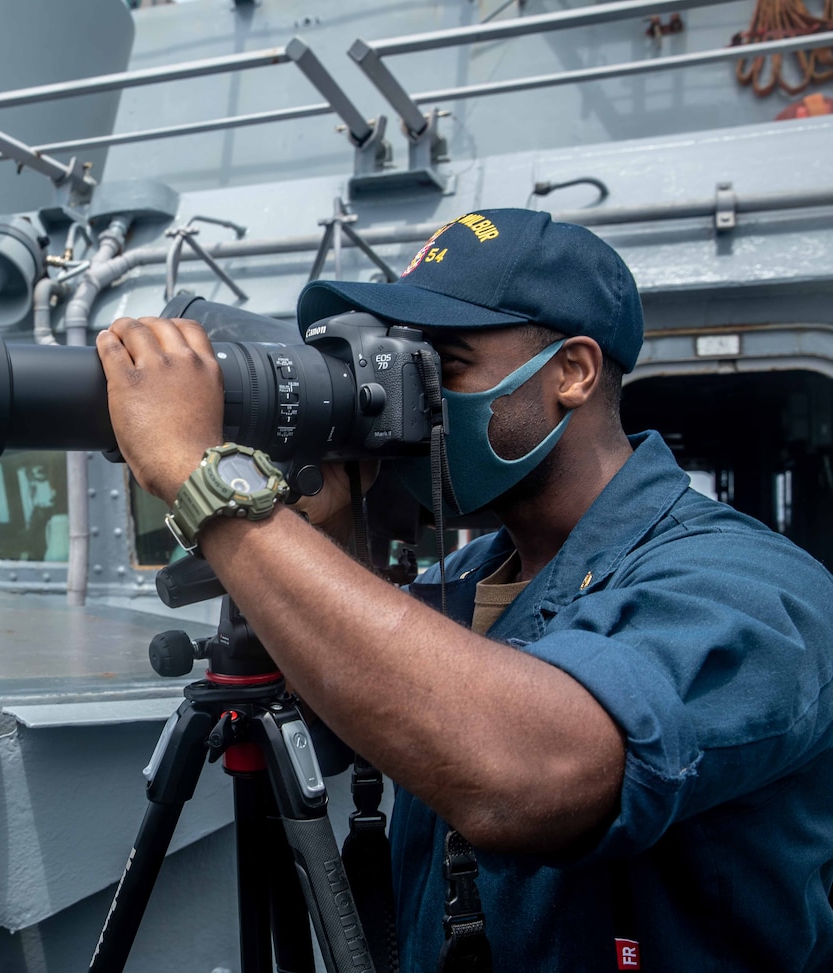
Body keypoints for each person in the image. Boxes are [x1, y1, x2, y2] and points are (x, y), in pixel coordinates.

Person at [96, 208, 833, 970]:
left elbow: (527, 775)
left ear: (572, 373)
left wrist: (209, 484)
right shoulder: (462, 580)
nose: (413, 405)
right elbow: (341, 711)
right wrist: (331, 533)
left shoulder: (753, 591)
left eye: (441, 367)